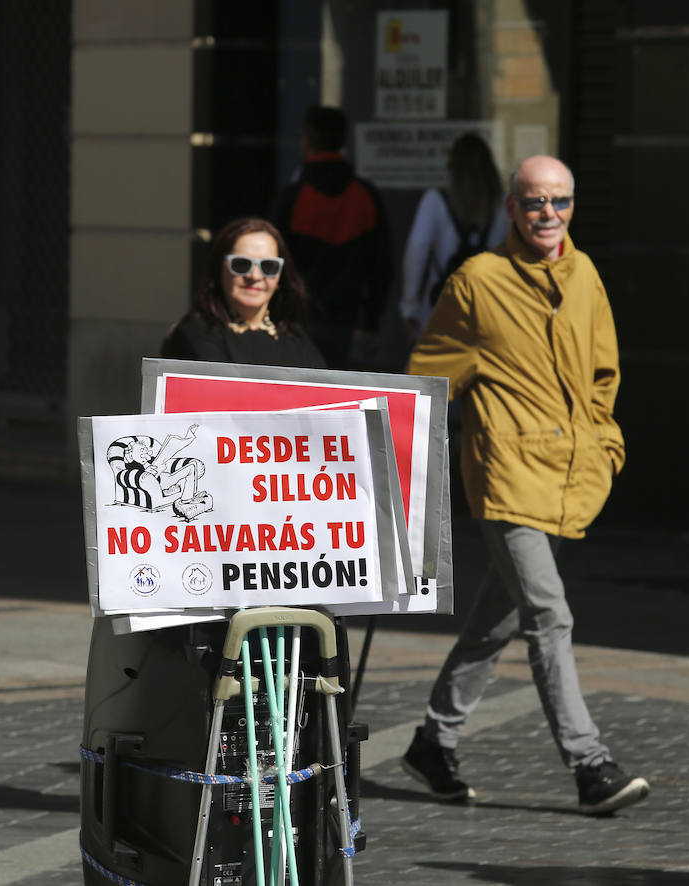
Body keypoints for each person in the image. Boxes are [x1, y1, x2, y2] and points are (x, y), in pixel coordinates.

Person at [400, 155, 650, 816]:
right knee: (549, 614)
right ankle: (590, 762)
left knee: (498, 620)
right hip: (507, 477)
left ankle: (434, 739)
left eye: (560, 202)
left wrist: (605, 445)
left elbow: (604, 375)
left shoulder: (586, 274)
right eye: (535, 202)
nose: (548, 215)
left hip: (570, 478)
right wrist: (392, 453)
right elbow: (426, 379)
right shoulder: (479, 281)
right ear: (511, 209)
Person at [270, 106, 393, 369]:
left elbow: (273, 263)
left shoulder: (293, 197)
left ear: (307, 141)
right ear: (343, 141)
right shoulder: (365, 196)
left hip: (298, 321)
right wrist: (371, 321)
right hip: (348, 324)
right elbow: (382, 267)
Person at [161, 216, 325, 369]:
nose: (254, 276)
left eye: (268, 266)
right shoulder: (196, 333)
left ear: (280, 277)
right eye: (241, 264)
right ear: (220, 269)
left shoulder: (297, 339)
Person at [400, 132, 509, 343]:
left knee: (437, 371)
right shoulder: (503, 205)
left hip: (441, 307)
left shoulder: (436, 200)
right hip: (490, 306)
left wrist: (409, 306)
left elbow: (417, 251)